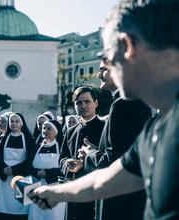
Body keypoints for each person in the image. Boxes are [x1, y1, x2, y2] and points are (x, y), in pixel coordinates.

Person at [28, 1, 179, 219]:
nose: (105, 69)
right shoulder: (156, 130)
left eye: (106, 57)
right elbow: (104, 181)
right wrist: (53, 193)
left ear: (127, 46)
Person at [78, 63, 152, 220]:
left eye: (103, 69)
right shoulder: (135, 101)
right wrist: (97, 150)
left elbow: (115, 160)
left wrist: (89, 154)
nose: (98, 75)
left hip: (119, 202)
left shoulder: (121, 104)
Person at [59, 86, 105, 220]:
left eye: (87, 101)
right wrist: (68, 163)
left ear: (96, 103)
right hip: (72, 191)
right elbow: (61, 158)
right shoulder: (70, 131)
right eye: (79, 102)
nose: (83, 105)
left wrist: (84, 164)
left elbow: (109, 159)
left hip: (94, 193)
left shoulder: (104, 128)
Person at [0, 112, 34, 220]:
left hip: (22, 178)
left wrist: (14, 169)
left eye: (17, 121)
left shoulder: (28, 140)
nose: (14, 124)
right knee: (3, 208)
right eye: (11, 121)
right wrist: (4, 169)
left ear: (21, 124)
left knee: (20, 209)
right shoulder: (3, 138)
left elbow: (30, 160)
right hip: (5, 178)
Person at [29, 120, 65, 220]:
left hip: (55, 188)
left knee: (54, 215)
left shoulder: (61, 148)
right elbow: (28, 166)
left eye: (49, 128)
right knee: (36, 215)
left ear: (56, 132)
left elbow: (64, 168)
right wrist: (37, 173)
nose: (45, 131)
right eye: (44, 128)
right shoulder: (36, 147)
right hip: (37, 188)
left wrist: (47, 173)